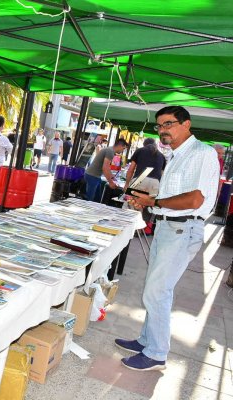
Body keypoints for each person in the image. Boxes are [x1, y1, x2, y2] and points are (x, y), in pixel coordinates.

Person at [116, 105, 219, 371]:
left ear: (187, 124)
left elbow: (196, 199)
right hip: (167, 226)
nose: (163, 130)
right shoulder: (175, 155)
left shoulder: (201, 153)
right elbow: (171, 197)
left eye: (169, 124)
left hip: (182, 229)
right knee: (156, 288)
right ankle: (146, 340)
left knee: (157, 291)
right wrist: (149, 204)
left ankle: (156, 354)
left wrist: (155, 201)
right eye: (159, 126)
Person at [123, 137, 166, 219]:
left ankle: (128, 228)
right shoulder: (162, 156)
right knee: (146, 209)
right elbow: (162, 175)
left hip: (140, 178)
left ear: (144, 145)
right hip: (155, 182)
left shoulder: (140, 150)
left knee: (130, 206)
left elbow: (131, 170)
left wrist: (127, 184)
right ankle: (140, 229)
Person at [84, 138, 128, 202]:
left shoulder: (110, 150)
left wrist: (111, 176)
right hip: (92, 176)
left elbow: (107, 167)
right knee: (90, 200)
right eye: (123, 148)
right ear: (119, 146)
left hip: (95, 176)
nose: (123, 150)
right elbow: (105, 168)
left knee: (97, 199)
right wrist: (111, 182)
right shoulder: (110, 151)